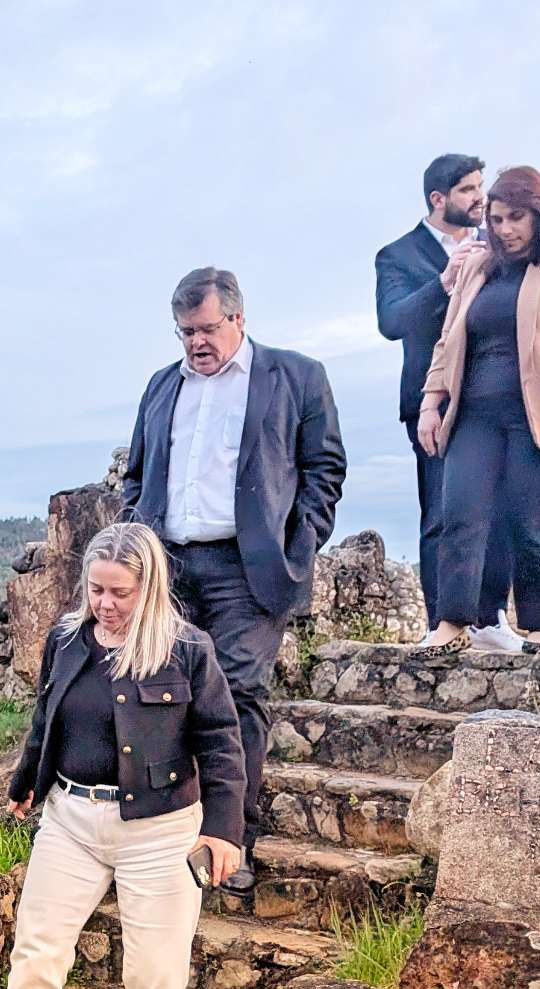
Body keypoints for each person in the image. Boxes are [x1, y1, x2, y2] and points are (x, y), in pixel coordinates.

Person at [0, 522, 245, 989]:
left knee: (156, 974)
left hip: (161, 830)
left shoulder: (187, 649)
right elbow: (46, 717)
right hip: (70, 819)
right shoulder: (67, 639)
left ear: (149, 587)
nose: (105, 603)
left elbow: (221, 743)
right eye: (96, 589)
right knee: (35, 955)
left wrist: (224, 831)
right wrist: (27, 780)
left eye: (120, 592)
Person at [120, 267, 347, 894]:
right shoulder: (162, 385)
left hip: (249, 569)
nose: (196, 342)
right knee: (160, 694)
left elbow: (325, 470)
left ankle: (230, 840)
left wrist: (298, 543)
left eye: (206, 328)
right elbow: (138, 473)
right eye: (184, 331)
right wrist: (136, 533)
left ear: (238, 319)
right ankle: (164, 834)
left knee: (239, 694)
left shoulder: (296, 376)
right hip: (167, 567)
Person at [416, 167, 540, 654]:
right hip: (474, 415)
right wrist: (430, 402)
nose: (505, 229)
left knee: (532, 520)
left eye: (516, 218)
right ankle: (452, 623)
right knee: (460, 515)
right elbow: (447, 340)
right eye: (497, 218)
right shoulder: (478, 267)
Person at [375, 153, 524, 652]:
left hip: (495, 397)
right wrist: (443, 282)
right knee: (442, 513)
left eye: (480, 186)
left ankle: (490, 619)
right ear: (438, 199)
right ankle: (441, 624)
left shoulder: (500, 244)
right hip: (432, 402)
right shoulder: (397, 255)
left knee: (497, 512)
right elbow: (392, 322)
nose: (480, 197)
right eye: (467, 189)